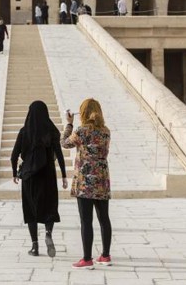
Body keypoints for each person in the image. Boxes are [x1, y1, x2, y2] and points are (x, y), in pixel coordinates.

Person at [12, 101, 68, 258]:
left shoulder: (24, 132)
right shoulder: (51, 131)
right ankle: (48, 233)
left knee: (31, 210)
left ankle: (35, 246)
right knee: (49, 207)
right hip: (48, 175)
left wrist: (14, 173)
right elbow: (60, 154)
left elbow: (14, 155)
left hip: (29, 177)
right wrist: (64, 175)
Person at [61, 98, 112, 270]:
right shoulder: (106, 131)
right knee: (104, 218)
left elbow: (64, 143)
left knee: (86, 220)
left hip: (85, 182)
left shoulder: (82, 131)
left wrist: (69, 124)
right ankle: (105, 255)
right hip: (102, 180)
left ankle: (87, 258)